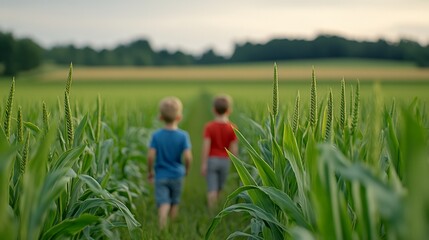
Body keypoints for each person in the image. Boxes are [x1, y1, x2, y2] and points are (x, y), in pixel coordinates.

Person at [147, 96, 192, 229]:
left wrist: (150, 171)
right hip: (177, 174)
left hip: (161, 175)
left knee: (163, 202)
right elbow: (188, 157)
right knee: (174, 201)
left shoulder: (156, 135)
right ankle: (172, 226)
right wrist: (187, 170)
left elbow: (150, 156)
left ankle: (162, 224)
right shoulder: (183, 136)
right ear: (179, 117)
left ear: (160, 117)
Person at [201, 94, 238, 210]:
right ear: (229, 110)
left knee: (212, 187)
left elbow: (206, 146)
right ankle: (218, 207)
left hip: (212, 159)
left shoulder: (209, 126)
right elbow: (234, 148)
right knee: (220, 186)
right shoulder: (232, 127)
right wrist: (235, 162)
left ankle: (212, 210)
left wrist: (204, 163)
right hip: (225, 161)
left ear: (213, 110)